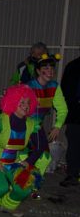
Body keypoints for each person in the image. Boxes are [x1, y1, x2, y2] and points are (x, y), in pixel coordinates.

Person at [0, 85, 47, 217]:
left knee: (24, 188)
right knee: (1, 187)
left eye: (28, 102)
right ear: (13, 102)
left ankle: (8, 205)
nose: (26, 106)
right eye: (21, 102)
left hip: (13, 162)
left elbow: (41, 146)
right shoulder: (2, 121)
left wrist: (28, 161)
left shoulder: (32, 124)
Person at [26, 53, 67, 182]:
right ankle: (19, 183)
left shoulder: (54, 86)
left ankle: (32, 184)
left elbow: (63, 109)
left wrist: (57, 126)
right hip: (24, 125)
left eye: (52, 68)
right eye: (46, 69)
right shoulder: (29, 86)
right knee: (30, 154)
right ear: (38, 71)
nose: (50, 72)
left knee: (45, 157)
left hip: (37, 126)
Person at [60, 53, 80, 187]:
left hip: (74, 112)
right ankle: (72, 174)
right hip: (75, 114)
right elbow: (64, 89)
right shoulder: (73, 67)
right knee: (74, 145)